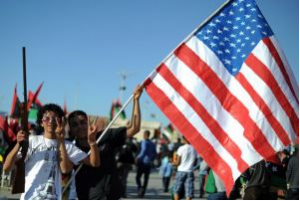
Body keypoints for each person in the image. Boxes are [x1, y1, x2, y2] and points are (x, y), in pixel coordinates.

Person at [3, 103, 100, 201]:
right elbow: (6, 167)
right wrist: (18, 144)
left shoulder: (67, 145)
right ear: (41, 122)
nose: (51, 121)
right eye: (47, 118)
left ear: (61, 121)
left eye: (55, 118)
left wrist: (92, 142)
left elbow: (93, 163)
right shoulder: (32, 141)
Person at [68, 85, 143, 201]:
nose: (80, 127)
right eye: (75, 124)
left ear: (88, 123)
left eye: (83, 122)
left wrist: (136, 100)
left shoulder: (105, 136)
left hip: (112, 195)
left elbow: (135, 128)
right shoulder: (71, 149)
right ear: (71, 130)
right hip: (88, 197)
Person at [173, 136, 197, 201]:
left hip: (181, 171)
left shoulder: (181, 148)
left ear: (184, 140)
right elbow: (195, 163)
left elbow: (178, 162)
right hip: (190, 172)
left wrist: (173, 163)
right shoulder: (194, 149)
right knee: (189, 193)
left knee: (176, 190)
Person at [136, 129, 157, 197]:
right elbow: (154, 153)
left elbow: (143, 150)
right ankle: (143, 192)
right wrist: (151, 159)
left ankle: (140, 188)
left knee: (138, 177)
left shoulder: (144, 142)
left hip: (142, 162)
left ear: (145, 135)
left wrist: (138, 158)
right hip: (148, 163)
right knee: (146, 178)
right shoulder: (153, 143)